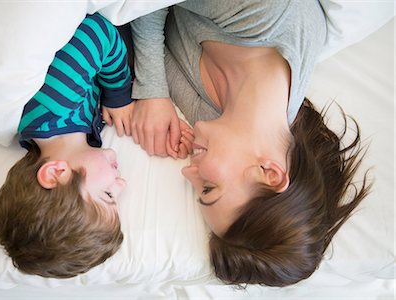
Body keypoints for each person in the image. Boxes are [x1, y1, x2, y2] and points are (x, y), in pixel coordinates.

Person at [129, 0, 371, 286]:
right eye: (208, 187)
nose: (188, 171)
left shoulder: (217, 119)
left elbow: (138, 41)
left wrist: (153, 97)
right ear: (269, 172)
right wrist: (153, 91)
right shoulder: (270, 14)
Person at [0, 13, 133, 278]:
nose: (121, 184)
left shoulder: (55, 103)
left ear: (56, 173)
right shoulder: (79, 137)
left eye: (108, 195)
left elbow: (96, 31)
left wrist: (117, 94)